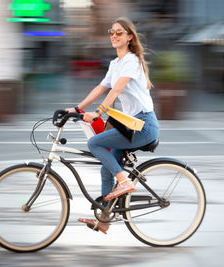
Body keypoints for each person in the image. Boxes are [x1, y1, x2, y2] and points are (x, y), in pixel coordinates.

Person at [66, 17, 159, 234]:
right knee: (106, 169)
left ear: (129, 37)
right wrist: (77, 108)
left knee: (96, 144)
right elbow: (101, 88)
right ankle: (105, 219)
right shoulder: (115, 64)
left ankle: (124, 182)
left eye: (119, 32)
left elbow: (115, 90)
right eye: (111, 32)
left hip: (144, 125)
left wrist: (97, 113)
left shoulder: (132, 61)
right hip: (130, 125)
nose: (114, 35)